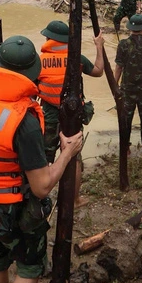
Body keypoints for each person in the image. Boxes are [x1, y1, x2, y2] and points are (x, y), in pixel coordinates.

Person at [0, 37, 84, 283]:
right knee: (29, 266)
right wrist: (68, 153)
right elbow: (41, 187)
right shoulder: (23, 120)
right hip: (13, 209)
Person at [35, 20, 105, 206]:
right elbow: (99, 71)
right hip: (72, 114)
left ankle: (39, 195)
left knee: (43, 156)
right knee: (74, 157)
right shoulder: (77, 58)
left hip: (48, 114)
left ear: (48, 38)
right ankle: (74, 200)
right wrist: (99, 47)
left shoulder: (39, 61)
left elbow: (31, 89)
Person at [113, 14, 142, 149]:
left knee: (125, 119)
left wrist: (115, 86)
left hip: (127, 88)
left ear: (130, 28)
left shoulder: (123, 44)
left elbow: (119, 67)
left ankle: (125, 147)